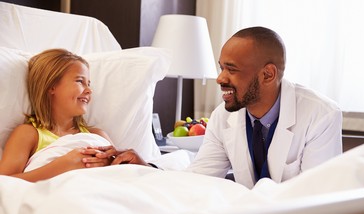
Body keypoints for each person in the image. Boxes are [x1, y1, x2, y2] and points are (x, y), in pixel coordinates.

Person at [91, 26, 343, 189]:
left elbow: (317, 196)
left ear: (267, 74)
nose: (220, 78)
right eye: (221, 67)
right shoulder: (223, 117)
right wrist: (145, 167)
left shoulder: (320, 115)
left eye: (231, 69)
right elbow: (198, 180)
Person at [0, 48, 114, 182]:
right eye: (79, 81)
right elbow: (5, 183)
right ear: (51, 86)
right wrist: (64, 165)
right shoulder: (29, 134)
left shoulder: (97, 136)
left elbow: (126, 174)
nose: (89, 90)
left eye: (88, 84)